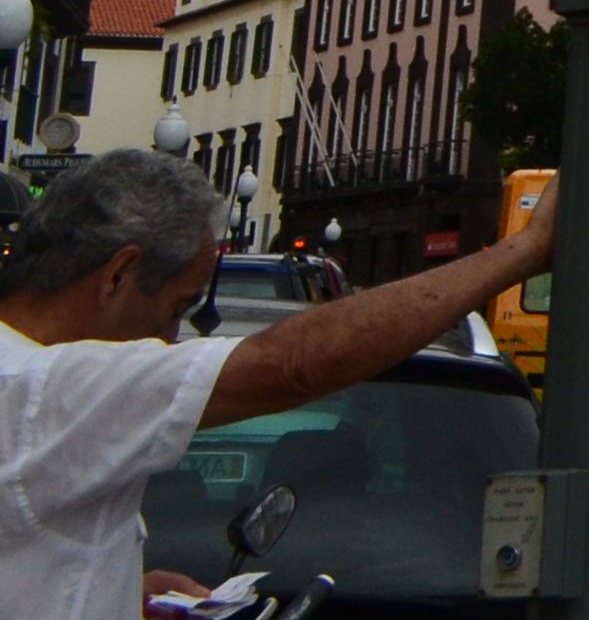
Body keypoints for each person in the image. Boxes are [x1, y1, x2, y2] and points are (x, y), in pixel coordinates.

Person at [0, 149, 554, 620]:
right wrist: (524, 251)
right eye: (176, 308)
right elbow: (295, 365)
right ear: (119, 275)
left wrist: (119, 589)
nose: (170, 339)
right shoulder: (50, 392)